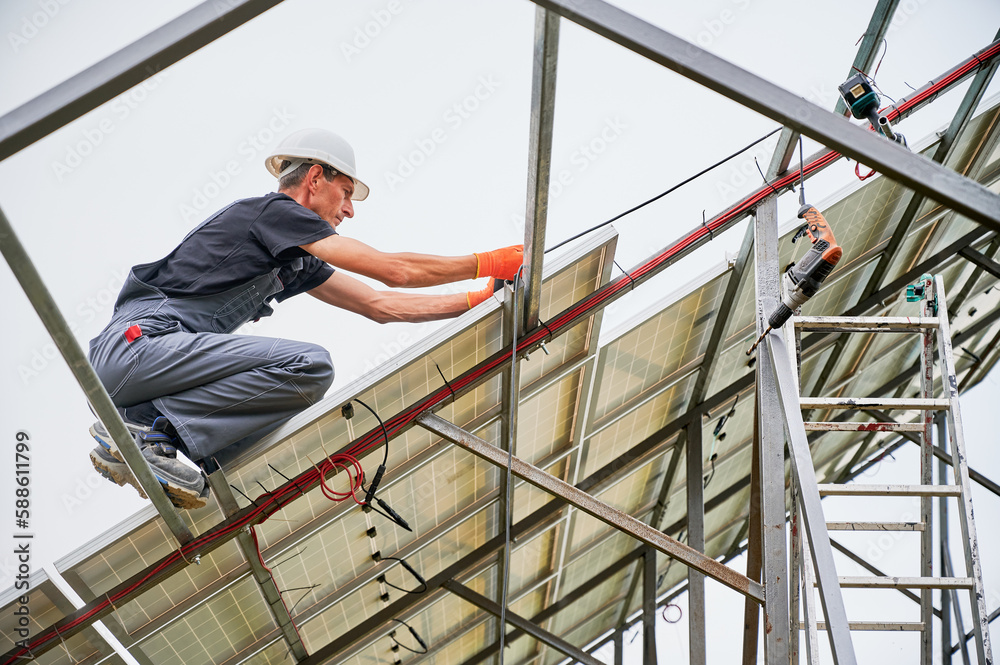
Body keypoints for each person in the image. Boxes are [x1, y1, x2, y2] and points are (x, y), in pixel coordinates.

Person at [86, 128, 523, 509]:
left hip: (147, 375)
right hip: (138, 344)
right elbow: (395, 271)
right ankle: (152, 433)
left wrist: (476, 299)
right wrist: (486, 262)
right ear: (316, 178)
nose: (349, 210)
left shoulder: (294, 259)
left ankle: (151, 438)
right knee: (307, 366)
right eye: (347, 193)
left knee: (301, 383)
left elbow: (380, 305)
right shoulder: (274, 214)